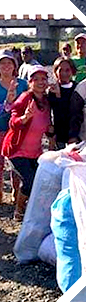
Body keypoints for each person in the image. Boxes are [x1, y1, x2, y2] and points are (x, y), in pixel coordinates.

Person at [3, 66, 53, 220]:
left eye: (43, 79)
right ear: (30, 82)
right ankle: (18, 211)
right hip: (16, 150)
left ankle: (32, 210)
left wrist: (51, 134)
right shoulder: (25, 98)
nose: (40, 82)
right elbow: (13, 122)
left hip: (35, 151)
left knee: (40, 180)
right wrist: (25, 118)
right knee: (30, 180)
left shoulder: (46, 101)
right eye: (36, 79)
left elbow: (47, 126)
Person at [0, 49, 28, 206]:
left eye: (9, 63)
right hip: (0, 129)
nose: (5, 66)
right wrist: (7, 105)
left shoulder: (22, 84)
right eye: (2, 63)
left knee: (16, 166)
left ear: (14, 65)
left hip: (17, 131)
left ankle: (16, 193)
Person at [47, 57, 76, 149]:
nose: (64, 73)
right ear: (55, 72)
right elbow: (53, 112)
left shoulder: (78, 88)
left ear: (73, 71)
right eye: (60, 70)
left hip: (76, 132)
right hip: (59, 133)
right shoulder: (52, 90)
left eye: (67, 70)